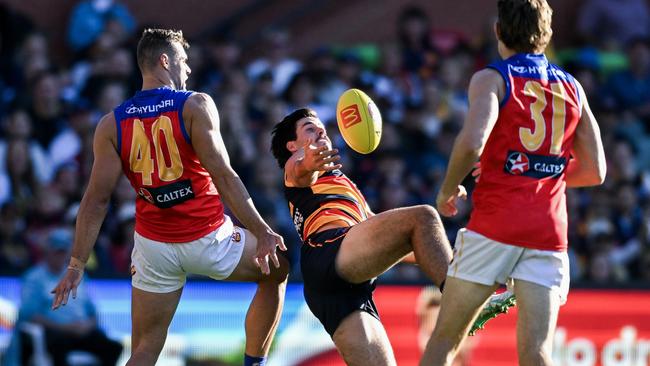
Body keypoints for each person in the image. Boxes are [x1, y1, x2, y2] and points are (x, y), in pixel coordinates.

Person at [51, 28, 289, 366]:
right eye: (184, 60)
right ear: (165, 60)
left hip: (153, 247)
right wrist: (262, 230)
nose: (188, 69)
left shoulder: (111, 124)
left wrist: (76, 264)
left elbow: (95, 201)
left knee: (145, 349)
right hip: (209, 238)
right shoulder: (195, 104)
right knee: (277, 270)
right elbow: (224, 175)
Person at [422, 1, 607, 365]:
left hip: (495, 227)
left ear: (498, 30)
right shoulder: (573, 87)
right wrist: (541, 171)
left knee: (445, 339)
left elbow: (474, 142)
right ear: (547, 34)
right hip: (548, 234)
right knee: (537, 354)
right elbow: (596, 171)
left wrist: (448, 188)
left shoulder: (491, 77)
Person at [270, 108, 453, 365]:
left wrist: (453, 256)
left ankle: (459, 286)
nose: (321, 130)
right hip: (330, 251)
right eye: (310, 128)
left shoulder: (343, 184)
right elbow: (301, 170)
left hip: (334, 286)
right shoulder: (295, 165)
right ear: (292, 145)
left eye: (321, 127)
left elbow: (406, 244)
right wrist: (309, 162)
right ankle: (459, 301)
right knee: (424, 216)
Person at [18, 228, 123, 365]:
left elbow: (92, 312)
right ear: (47, 252)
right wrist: (65, 328)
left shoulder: (79, 276)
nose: (60, 256)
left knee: (113, 347)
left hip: (80, 331)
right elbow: (30, 315)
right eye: (57, 252)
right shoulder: (34, 278)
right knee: (59, 345)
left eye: (63, 252)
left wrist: (87, 326)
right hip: (53, 332)